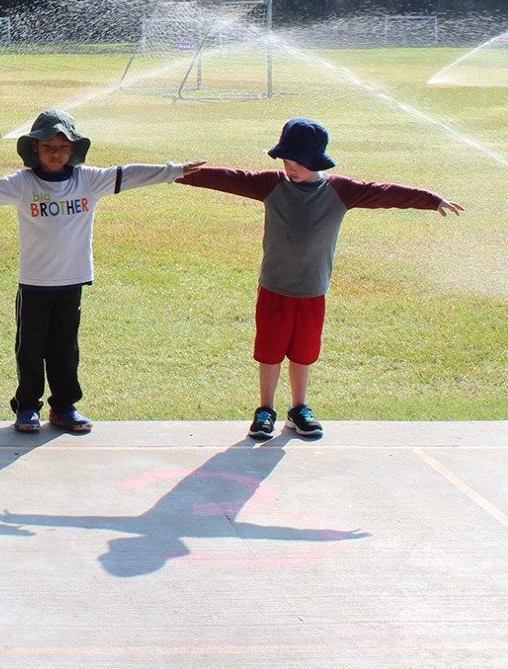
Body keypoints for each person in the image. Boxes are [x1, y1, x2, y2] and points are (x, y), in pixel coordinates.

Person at [176, 117, 464, 441]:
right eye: (285, 160)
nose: (289, 167)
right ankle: (265, 410)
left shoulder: (341, 190)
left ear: (316, 160)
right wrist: (177, 173)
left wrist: (431, 199)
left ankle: (298, 409)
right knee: (269, 353)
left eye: (296, 161)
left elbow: (385, 193)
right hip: (274, 288)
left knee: (303, 354)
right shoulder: (272, 184)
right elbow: (230, 179)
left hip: (312, 292)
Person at [0, 109, 201, 434]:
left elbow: (130, 174)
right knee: (30, 351)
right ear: (34, 147)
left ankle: (64, 408)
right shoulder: (22, 183)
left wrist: (174, 171)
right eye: (48, 147)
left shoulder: (88, 180)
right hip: (34, 285)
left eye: (63, 147)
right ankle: (27, 408)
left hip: (71, 283)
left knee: (65, 350)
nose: (55, 153)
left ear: (74, 149)